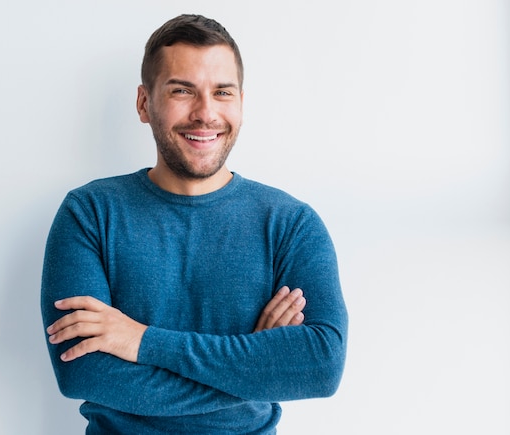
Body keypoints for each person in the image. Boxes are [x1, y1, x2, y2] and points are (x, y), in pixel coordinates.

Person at [41, 14, 348, 434]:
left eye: (222, 92)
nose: (206, 113)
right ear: (144, 103)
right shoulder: (90, 213)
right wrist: (255, 367)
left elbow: (321, 367)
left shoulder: (291, 223)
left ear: (241, 102)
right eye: (183, 91)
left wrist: (142, 341)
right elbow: (84, 374)